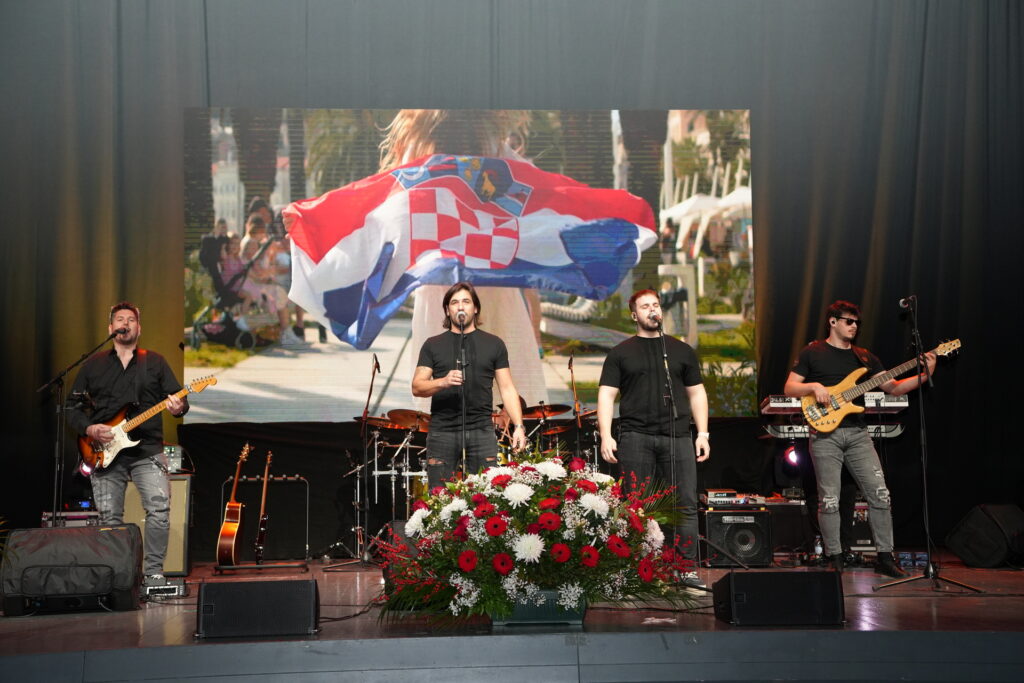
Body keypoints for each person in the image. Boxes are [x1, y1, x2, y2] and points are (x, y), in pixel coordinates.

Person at [784, 300, 936, 577]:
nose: (854, 326)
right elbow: (790, 387)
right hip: (824, 434)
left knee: (880, 494)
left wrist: (926, 374)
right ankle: (835, 556)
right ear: (833, 322)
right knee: (829, 499)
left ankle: (885, 558)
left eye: (857, 322)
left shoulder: (865, 357)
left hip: (858, 434)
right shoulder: (812, 352)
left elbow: (894, 388)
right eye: (849, 321)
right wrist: (814, 386)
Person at [66, 302, 188, 586]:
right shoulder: (93, 365)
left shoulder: (154, 362)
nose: (125, 323)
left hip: (148, 450)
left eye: (131, 319)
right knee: (109, 517)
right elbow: (71, 407)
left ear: (139, 328)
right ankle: (118, 577)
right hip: (103, 451)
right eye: (120, 319)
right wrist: (90, 428)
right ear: (111, 328)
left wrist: (178, 406)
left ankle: (154, 573)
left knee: (159, 510)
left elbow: (178, 401)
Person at [597, 289, 710, 588]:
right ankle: (637, 571)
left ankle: (685, 568)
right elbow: (606, 395)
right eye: (645, 306)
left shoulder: (680, 350)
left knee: (685, 504)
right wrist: (606, 435)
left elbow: (697, 393)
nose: (652, 310)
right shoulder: (620, 353)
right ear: (634, 315)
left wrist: (703, 433)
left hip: (677, 436)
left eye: (656, 305)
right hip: (636, 436)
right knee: (636, 506)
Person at [412, 282, 528, 490]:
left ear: (475, 308)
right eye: (454, 302)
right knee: (440, 495)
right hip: (443, 430)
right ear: (447, 310)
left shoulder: (494, 344)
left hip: (481, 429)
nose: (460, 306)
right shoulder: (432, 344)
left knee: (486, 494)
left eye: (466, 301)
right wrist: (443, 381)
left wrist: (519, 426)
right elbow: (417, 387)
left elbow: (507, 388)